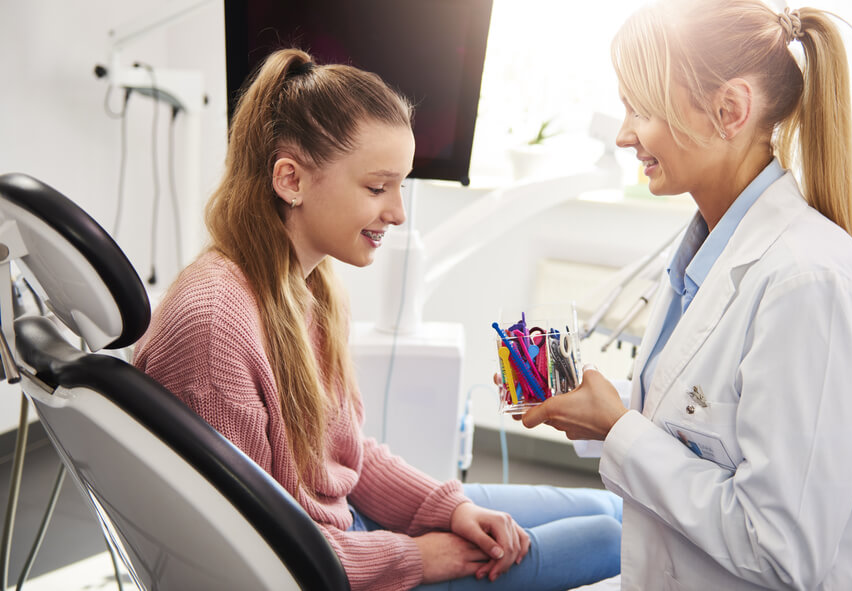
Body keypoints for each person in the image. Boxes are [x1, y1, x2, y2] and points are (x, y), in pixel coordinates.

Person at [133, 48, 621, 591]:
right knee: (609, 539)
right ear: (290, 180)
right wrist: (416, 558)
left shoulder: (310, 286)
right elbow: (252, 548)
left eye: (401, 185)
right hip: (325, 570)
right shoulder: (214, 327)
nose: (398, 212)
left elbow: (348, 455)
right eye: (376, 187)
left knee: (615, 512)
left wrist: (450, 508)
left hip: (350, 538)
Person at [522, 0, 852, 590]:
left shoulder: (812, 287)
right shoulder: (706, 260)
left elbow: (782, 553)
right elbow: (705, 444)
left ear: (730, 111)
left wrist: (620, 430)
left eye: (642, 110)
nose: (625, 135)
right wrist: (604, 419)